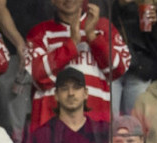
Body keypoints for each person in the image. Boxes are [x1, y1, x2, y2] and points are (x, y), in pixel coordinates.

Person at [23, 0, 127, 129]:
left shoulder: (103, 27)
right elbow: (38, 77)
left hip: (96, 124)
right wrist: (71, 43)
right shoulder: (39, 32)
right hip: (50, 126)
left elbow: (118, 69)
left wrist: (92, 36)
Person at [24, 67, 111, 143]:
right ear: (56, 95)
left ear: (85, 93)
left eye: (76, 88)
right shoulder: (42, 134)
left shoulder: (103, 131)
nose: (71, 93)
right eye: (64, 88)